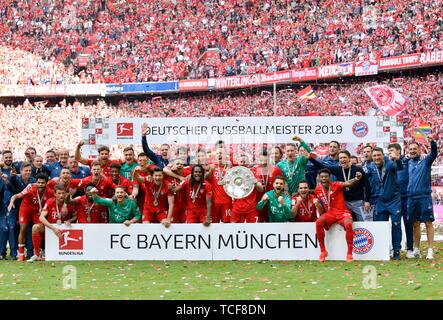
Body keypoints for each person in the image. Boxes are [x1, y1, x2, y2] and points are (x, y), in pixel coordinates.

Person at [314, 168, 363, 262]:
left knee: (349, 224)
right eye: (322, 177)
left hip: (342, 212)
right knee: (318, 222)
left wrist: (356, 179)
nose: (324, 178)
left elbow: (348, 183)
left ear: (329, 178)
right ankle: (323, 251)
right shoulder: (318, 189)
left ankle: (349, 253)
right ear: (319, 178)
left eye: (326, 177)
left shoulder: (336, 185)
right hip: (330, 213)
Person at [308, 150, 371, 221]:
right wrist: (310, 158)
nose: (342, 160)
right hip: (345, 203)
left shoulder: (358, 169)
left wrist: (367, 201)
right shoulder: (337, 169)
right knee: (347, 223)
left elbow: (367, 185)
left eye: (344, 157)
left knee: (364, 222)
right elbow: (322, 166)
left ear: (349, 158)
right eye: (340, 158)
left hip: (358, 202)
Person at [365, 147, 403, 260]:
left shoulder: (390, 164)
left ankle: (396, 251)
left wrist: (397, 159)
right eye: (375, 156)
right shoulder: (370, 166)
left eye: (379, 155)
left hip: (393, 200)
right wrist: (368, 199)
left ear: (383, 155)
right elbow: (367, 184)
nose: (377, 158)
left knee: (396, 225)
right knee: (380, 227)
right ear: (372, 157)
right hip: (379, 201)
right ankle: (381, 251)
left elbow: (400, 167)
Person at [407, 135, 438, 259]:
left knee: (428, 223)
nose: (413, 151)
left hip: (424, 197)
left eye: (415, 149)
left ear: (419, 150)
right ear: (408, 151)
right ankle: (417, 249)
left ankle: (430, 250)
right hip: (411, 198)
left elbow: (434, 154)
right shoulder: (407, 163)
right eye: (411, 149)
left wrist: (432, 142)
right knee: (415, 224)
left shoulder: (426, 161)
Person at [29, 184, 77, 262]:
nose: (61, 195)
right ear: (54, 194)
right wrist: (53, 228)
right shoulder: (50, 201)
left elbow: (75, 216)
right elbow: (41, 217)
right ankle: (37, 254)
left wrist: (69, 221)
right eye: (59, 193)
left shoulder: (69, 203)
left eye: (63, 193)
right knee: (35, 227)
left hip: (64, 230)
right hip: (51, 228)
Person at [7, 173, 50, 261]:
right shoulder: (31, 187)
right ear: (36, 182)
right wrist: (11, 202)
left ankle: (40, 252)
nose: (40, 185)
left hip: (37, 211)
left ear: (46, 183)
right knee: (23, 228)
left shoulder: (49, 191)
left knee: (40, 229)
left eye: (42, 183)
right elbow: (16, 195)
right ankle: (21, 254)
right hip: (26, 208)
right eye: (39, 182)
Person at [388, 143, 414, 258]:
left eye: (392, 150)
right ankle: (395, 249)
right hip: (394, 199)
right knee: (395, 225)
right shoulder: (388, 163)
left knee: (408, 224)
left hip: (406, 197)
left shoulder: (407, 161)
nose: (390, 152)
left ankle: (410, 249)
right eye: (389, 151)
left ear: (398, 151)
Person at [230, 154, 264, 223]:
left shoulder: (254, 173)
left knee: (255, 230)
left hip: (251, 207)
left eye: (244, 161)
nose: (243, 163)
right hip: (237, 208)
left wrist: (255, 182)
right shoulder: (233, 173)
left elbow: (261, 189)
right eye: (241, 162)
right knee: (233, 230)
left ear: (248, 163)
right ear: (238, 163)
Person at [251, 150, 283, 222]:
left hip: (272, 201)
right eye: (261, 160)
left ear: (269, 159)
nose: (263, 163)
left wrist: (286, 190)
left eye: (266, 161)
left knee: (272, 222)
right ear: (258, 159)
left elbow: (283, 181)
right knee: (259, 223)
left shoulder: (275, 169)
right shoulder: (254, 169)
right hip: (259, 201)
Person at [206, 147, 233, 223]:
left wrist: (229, 168)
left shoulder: (230, 168)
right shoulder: (211, 167)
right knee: (214, 224)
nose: (219, 155)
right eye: (217, 153)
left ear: (226, 155)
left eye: (221, 153)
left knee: (227, 224)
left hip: (227, 202)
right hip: (214, 203)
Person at [163, 158, 192, 223]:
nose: (179, 165)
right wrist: (179, 177)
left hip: (184, 207)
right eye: (177, 164)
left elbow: (195, 172)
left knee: (185, 226)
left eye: (181, 164)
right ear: (173, 165)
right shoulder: (168, 175)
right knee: (172, 226)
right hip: (173, 207)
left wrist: (187, 178)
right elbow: (164, 170)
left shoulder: (186, 172)